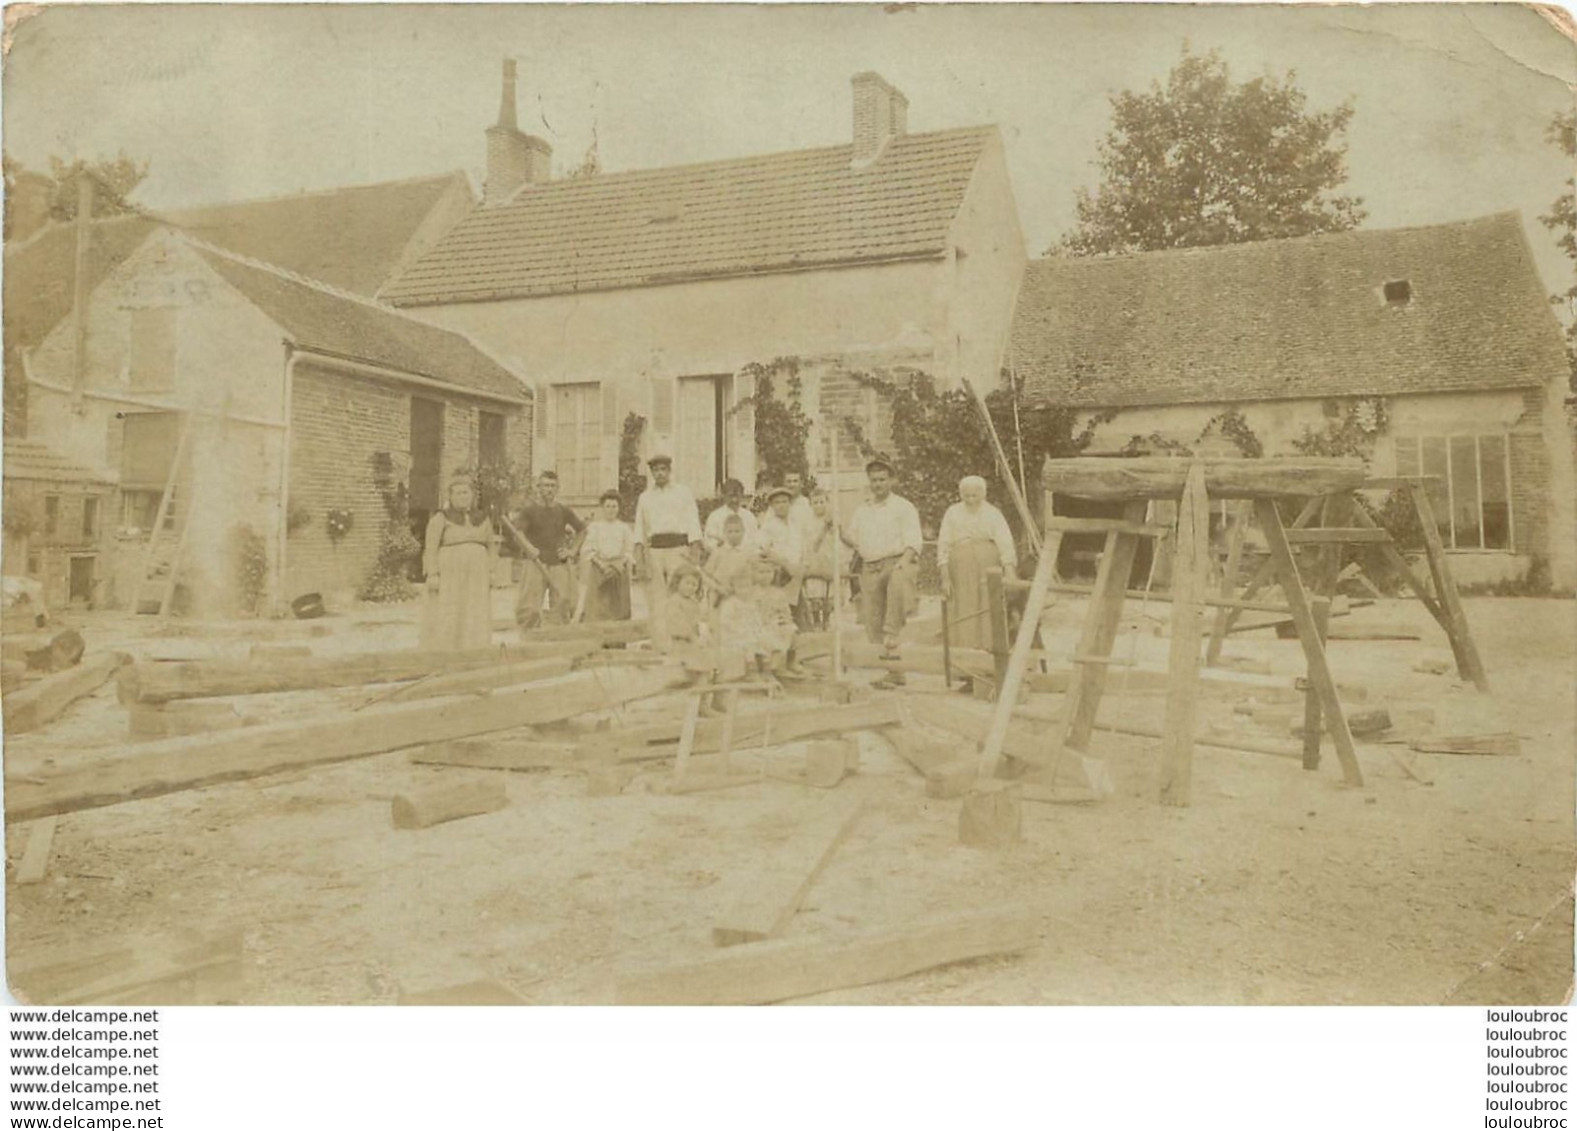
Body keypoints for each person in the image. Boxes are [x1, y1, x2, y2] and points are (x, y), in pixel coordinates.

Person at [841, 457, 923, 688]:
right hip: (870, 567)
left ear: (892, 480)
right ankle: (893, 672)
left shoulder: (903, 507)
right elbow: (853, 540)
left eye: (882, 479)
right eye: (874, 480)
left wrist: (902, 563)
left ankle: (893, 632)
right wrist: (836, 528)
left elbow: (914, 541)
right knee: (873, 623)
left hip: (894, 563)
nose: (877, 484)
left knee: (890, 622)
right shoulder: (863, 509)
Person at [938, 476, 1018, 686]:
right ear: (960, 494)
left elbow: (1005, 542)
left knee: (986, 610)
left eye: (975, 495)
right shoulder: (953, 513)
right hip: (960, 567)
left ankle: (987, 664)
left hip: (988, 564)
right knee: (964, 611)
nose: (971, 500)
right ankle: (965, 669)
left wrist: (1009, 570)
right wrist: (945, 576)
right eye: (966, 495)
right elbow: (944, 544)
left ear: (983, 494)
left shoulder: (993, 513)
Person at [633, 454, 703, 648]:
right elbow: (639, 530)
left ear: (669, 471)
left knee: (682, 595)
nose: (660, 473)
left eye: (663, 469)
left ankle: (685, 643)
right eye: (656, 470)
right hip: (655, 551)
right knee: (657, 600)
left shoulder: (683, 492)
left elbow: (693, 523)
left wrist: (694, 552)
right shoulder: (645, 497)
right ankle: (661, 644)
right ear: (652, 473)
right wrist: (640, 561)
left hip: (679, 549)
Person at [419, 477, 496, 652]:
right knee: (450, 608)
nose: (463, 497)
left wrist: (492, 571)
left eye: (466, 493)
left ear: (472, 495)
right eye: (458, 493)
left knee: (475, 608)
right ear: (451, 496)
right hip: (450, 573)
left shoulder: (483, 518)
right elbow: (431, 547)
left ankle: (474, 648)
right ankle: (446, 649)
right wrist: (433, 574)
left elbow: (491, 546)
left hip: (478, 573)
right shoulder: (440, 518)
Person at [509, 470, 584, 631]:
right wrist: (529, 548)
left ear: (557, 488)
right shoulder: (529, 511)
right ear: (538, 488)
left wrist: (572, 551)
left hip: (558, 563)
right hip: (536, 563)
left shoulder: (563, 510)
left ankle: (559, 641)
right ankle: (527, 643)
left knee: (563, 606)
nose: (549, 490)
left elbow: (582, 530)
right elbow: (518, 533)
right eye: (545, 486)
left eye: (552, 486)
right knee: (530, 609)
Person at [717, 553, 798, 684]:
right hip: (756, 625)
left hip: (773, 623)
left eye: (769, 572)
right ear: (753, 573)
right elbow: (748, 611)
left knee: (789, 631)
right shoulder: (749, 591)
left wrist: (784, 619)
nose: (765, 575)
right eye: (761, 572)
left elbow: (785, 612)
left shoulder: (778, 593)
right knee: (761, 639)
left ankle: (776, 666)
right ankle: (763, 670)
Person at [575, 489, 634, 622]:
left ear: (619, 508)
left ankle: (617, 641)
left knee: (619, 607)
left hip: (618, 570)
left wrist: (617, 565)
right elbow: (588, 549)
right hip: (599, 569)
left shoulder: (624, 528)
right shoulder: (595, 527)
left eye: (614, 506)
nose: (611, 509)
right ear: (602, 508)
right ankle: (597, 638)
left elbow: (629, 550)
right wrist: (602, 565)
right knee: (598, 607)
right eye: (607, 506)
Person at [800, 487, 837, 631]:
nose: (819, 505)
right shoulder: (809, 523)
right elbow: (812, 545)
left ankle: (827, 619)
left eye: (822, 502)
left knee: (829, 590)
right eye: (815, 502)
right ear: (810, 505)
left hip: (829, 556)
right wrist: (824, 530)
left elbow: (837, 540)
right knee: (816, 589)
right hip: (815, 558)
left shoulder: (832, 520)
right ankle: (816, 619)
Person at [707, 512, 755, 601]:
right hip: (719, 595)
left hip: (741, 595)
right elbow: (707, 575)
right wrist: (717, 588)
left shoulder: (748, 553)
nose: (734, 535)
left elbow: (752, 575)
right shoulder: (718, 552)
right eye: (730, 531)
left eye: (737, 531)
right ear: (724, 533)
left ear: (743, 532)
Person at [703, 478, 759, 553]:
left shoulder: (749, 517)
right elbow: (708, 543)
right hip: (723, 557)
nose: (734, 500)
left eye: (737, 496)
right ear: (724, 495)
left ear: (742, 495)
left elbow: (756, 541)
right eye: (731, 496)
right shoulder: (715, 517)